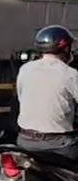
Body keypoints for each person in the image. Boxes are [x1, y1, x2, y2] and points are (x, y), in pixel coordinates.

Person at [16, 25, 78, 162]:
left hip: (25, 141)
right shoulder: (70, 74)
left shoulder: (25, 69)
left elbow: (21, 98)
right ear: (65, 48)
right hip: (59, 145)